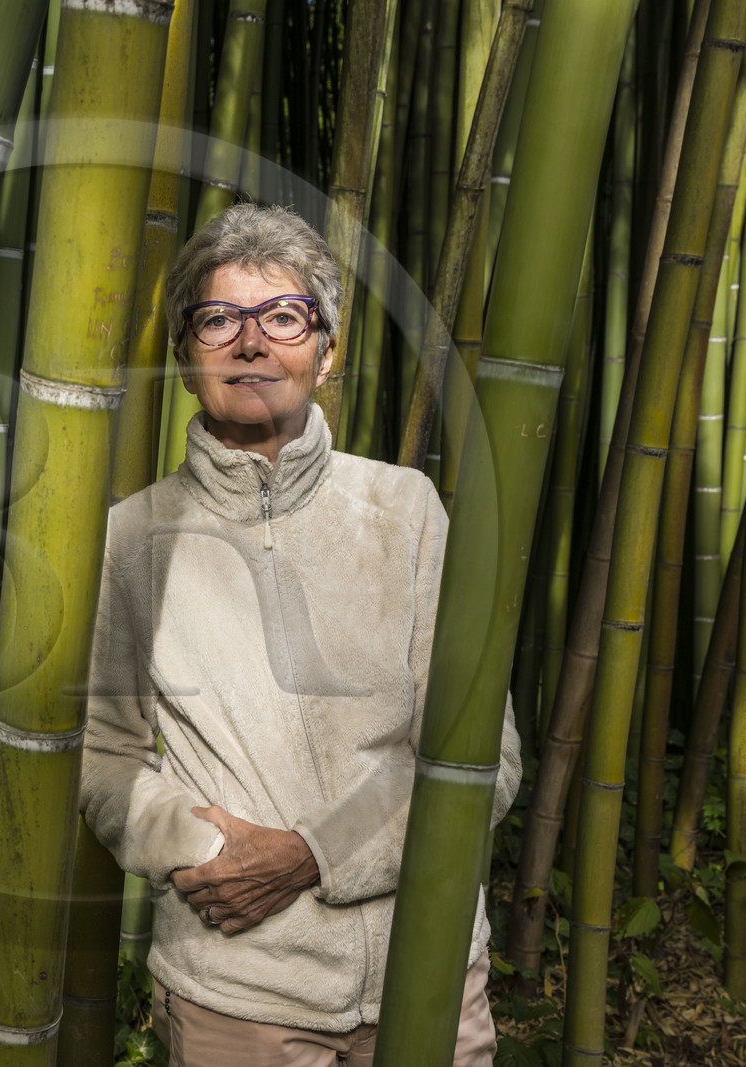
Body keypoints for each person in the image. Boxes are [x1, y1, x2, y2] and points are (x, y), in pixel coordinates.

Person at [78, 202, 521, 1066]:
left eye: (283, 316)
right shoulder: (132, 539)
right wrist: (214, 849)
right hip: (239, 991)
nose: (251, 343)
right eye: (219, 319)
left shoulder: (407, 512)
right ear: (186, 357)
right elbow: (104, 760)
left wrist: (310, 855)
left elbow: (484, 759)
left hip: (428, 967)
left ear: (327, 351)